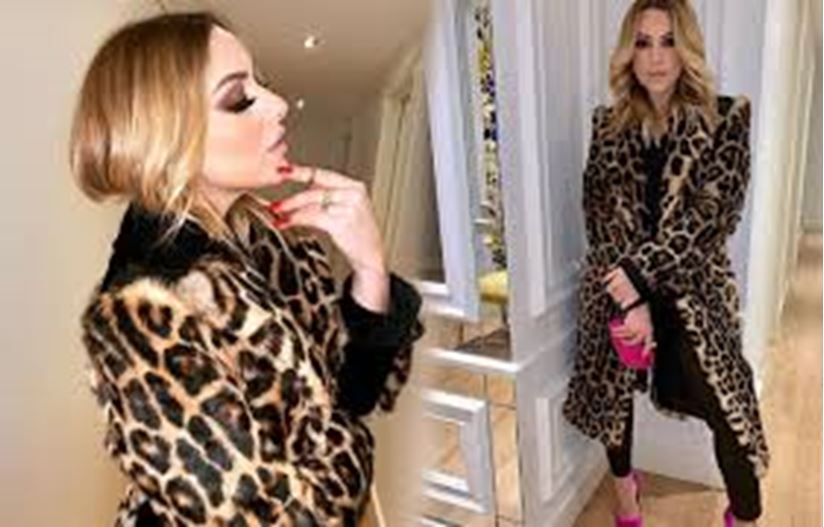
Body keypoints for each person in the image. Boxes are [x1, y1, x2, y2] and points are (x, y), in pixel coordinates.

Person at [70, 12, 424, 526]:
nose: (279, 104)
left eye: (262, 83)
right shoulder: (142, 316)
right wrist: (350, 449)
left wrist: (370, 268)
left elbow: (353, 392)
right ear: (165, 135)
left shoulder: (268, 243)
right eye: (238, 98)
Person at [561, 1, 769, 526]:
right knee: (614, 401)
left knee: (730, 411)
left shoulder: (726, 118)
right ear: (628, 53)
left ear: (687, 48)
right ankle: (625, 494)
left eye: (669, 41)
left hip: (692, 289)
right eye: (643, 42)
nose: (655, 57)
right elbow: (599, 218)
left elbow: (711, 219)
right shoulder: (607, 126)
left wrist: (641, 280)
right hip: (619, 284)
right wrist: (631, 298)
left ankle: (744, 515)